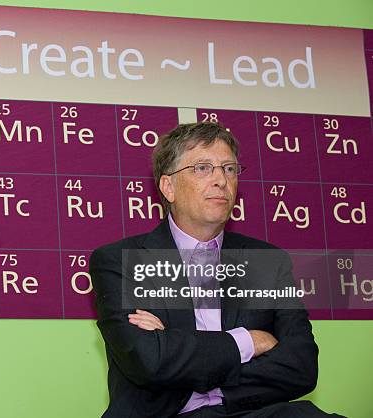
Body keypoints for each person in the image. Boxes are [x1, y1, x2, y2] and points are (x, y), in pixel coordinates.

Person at [89, 122, 344, 417]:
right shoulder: (120, 261)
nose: (221, 180)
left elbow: (301, 367)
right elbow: (150, 361)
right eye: (202, 168)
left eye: (229, 169)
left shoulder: (267, 261)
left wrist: (179, 350)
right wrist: (250, 341)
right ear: (168, 186)